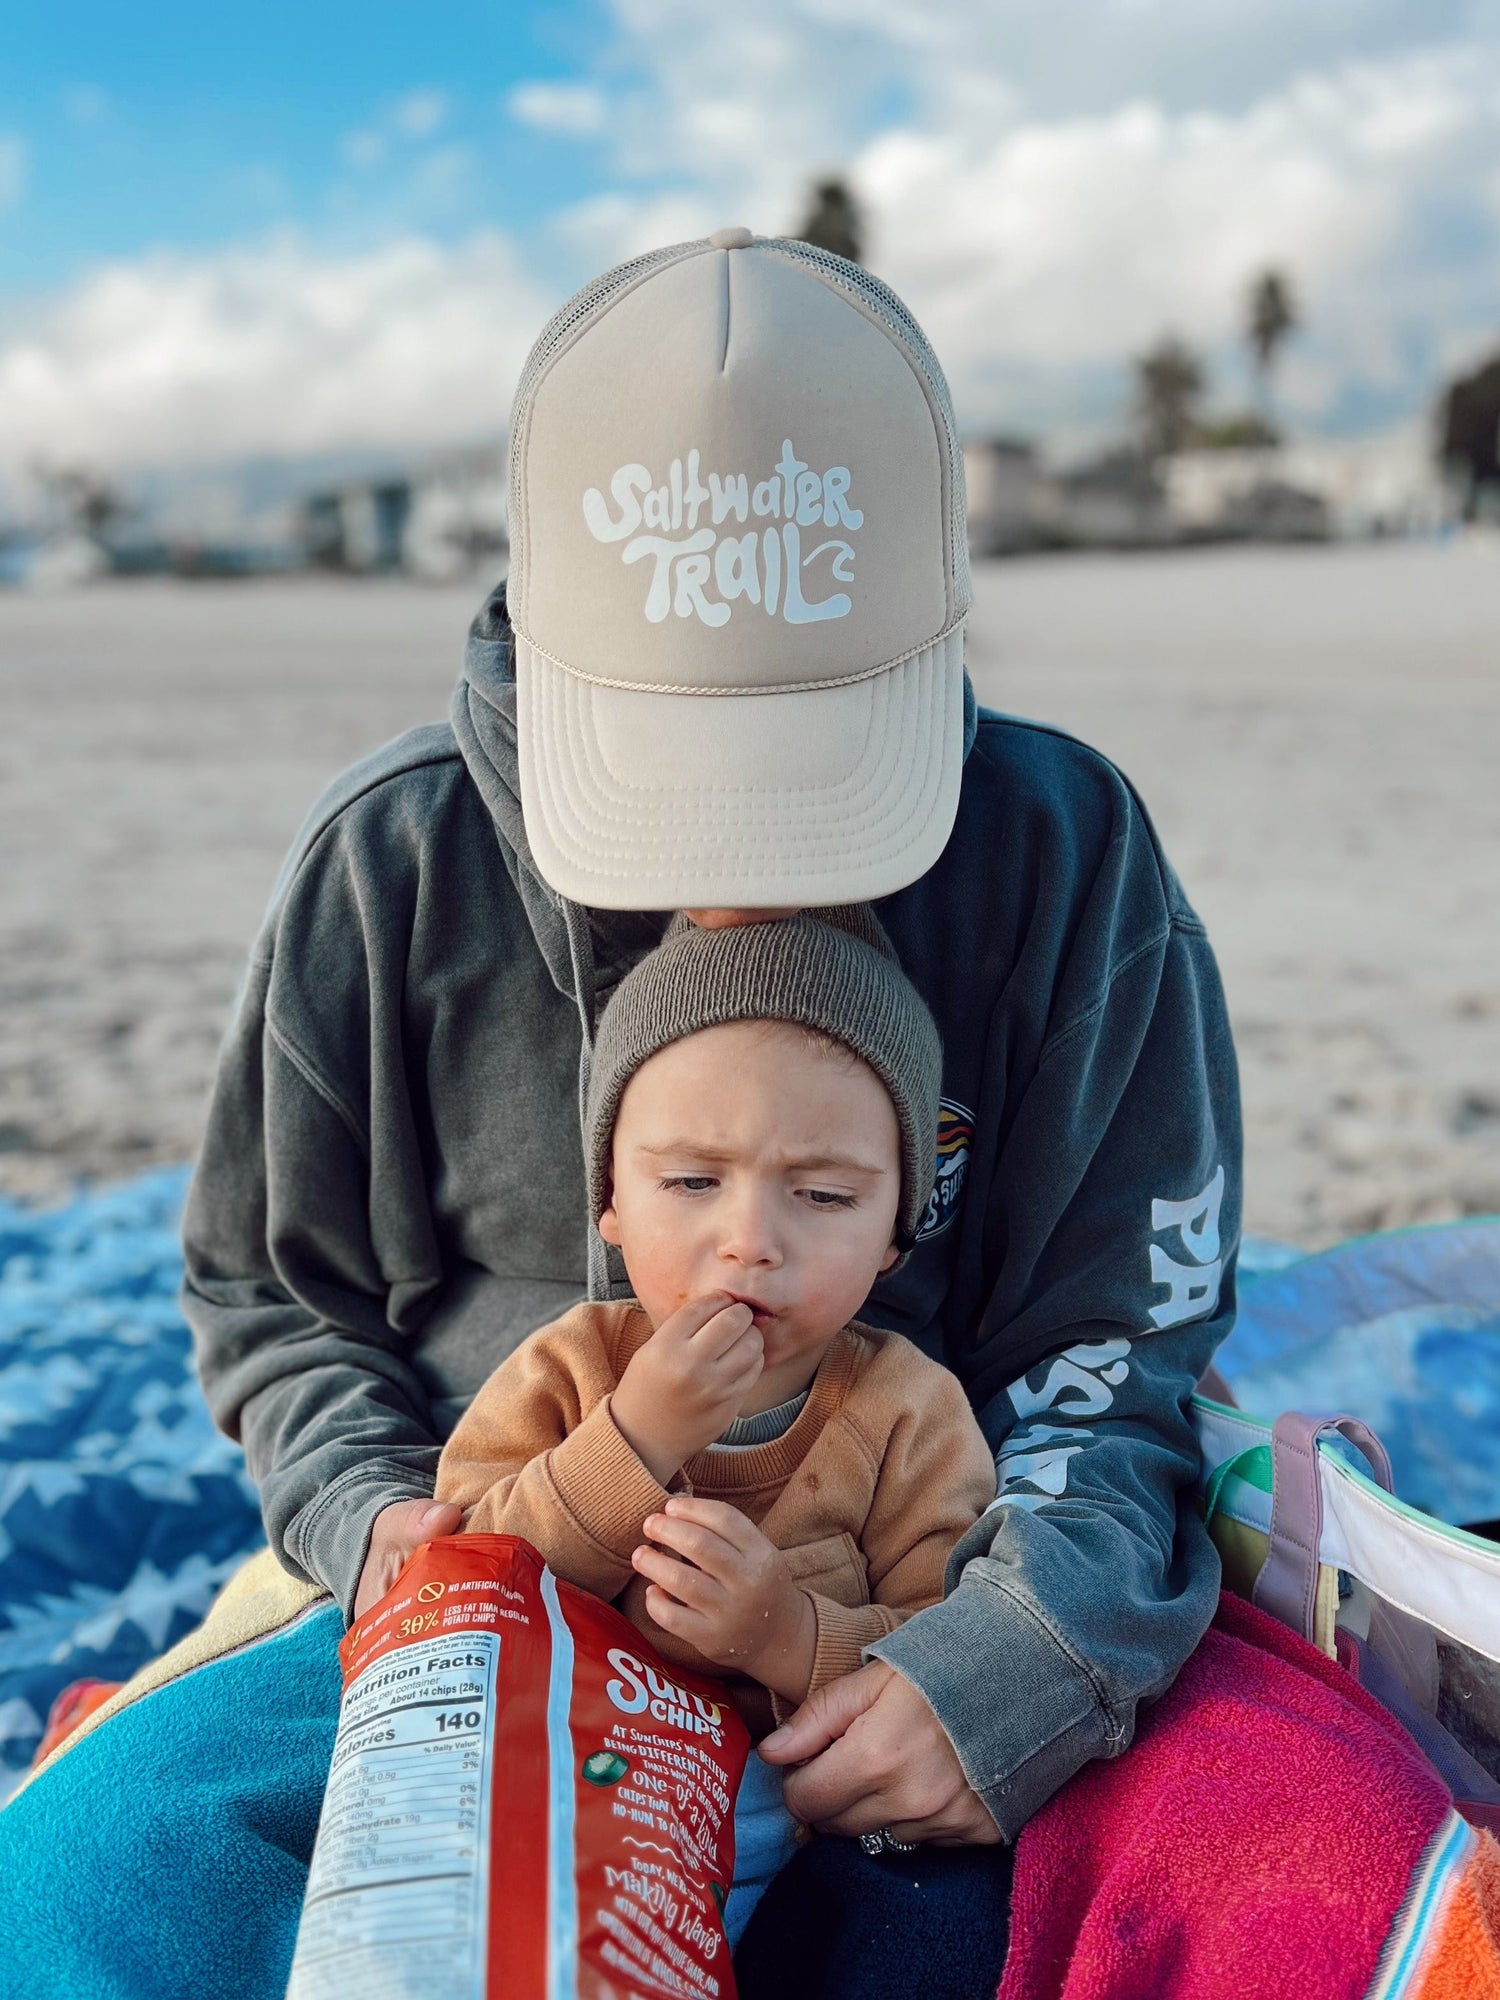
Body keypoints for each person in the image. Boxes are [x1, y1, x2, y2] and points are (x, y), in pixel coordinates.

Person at [0, 230, 1241, 1999]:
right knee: (83, 1888)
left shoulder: (1063, 857)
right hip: (468, 1591)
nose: (741, 854)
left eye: (821, 769)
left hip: (915, 1616)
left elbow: (1125, 1335)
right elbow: (275, 1291)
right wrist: (374, 1524)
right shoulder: (393, 864)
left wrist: (1011, 1670)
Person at [433, 909, 999, 1943]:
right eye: (691, 1182)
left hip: (812, 1836)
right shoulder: (570, 1368)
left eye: (824, 1194)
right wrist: (636, 1434)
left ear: (893, 1235)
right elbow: (463, 1585)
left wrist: (788, 1634)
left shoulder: (908, 1409)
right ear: (609, 1199)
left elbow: (956, 1651)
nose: (750, 1242)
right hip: (559, 1802)